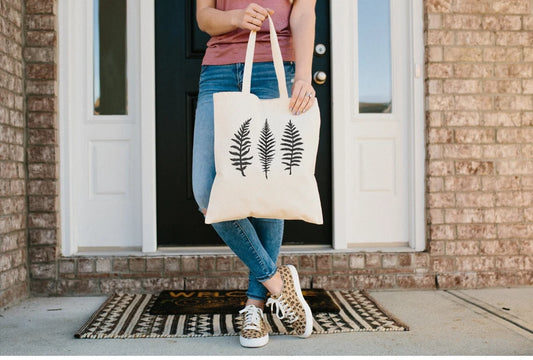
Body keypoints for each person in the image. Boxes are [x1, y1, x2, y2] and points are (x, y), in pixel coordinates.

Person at [193, 0, 317, 348]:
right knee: (207, 193)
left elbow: (304, 12)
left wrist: (304, 76)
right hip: (217, 70)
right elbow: (204, 17)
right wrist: (235, 17)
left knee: (269, 187)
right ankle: (277, 284)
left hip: (274, 67)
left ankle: (255, 307)